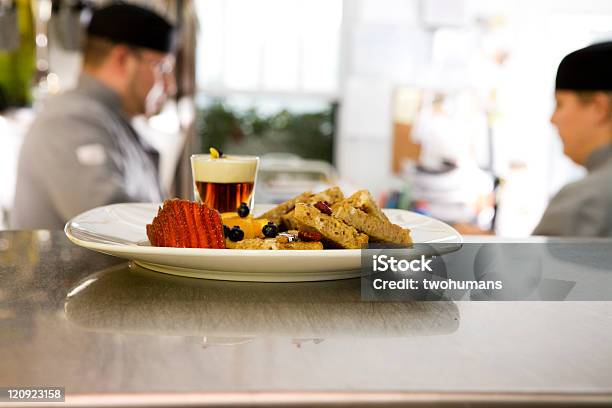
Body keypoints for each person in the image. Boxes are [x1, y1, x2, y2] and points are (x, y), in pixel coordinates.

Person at [11, 3, 177, 229]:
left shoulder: (110, 121)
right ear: (122, 60)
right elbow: (108, 226)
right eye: (161, 68)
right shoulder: (67, 122)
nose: (169, 85)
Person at [533, 42, 612, 236]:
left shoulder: (585, 202)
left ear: (598, 108)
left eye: (560, 104)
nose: (553, 119)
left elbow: (532, 266)